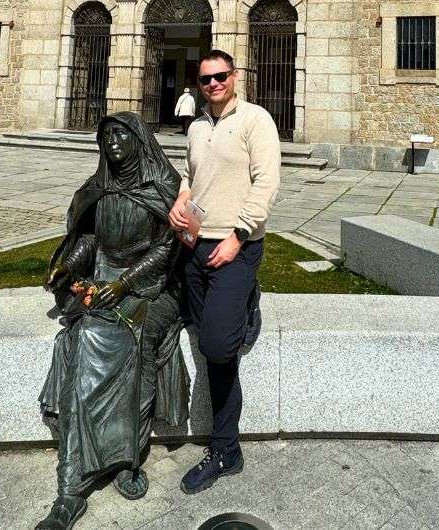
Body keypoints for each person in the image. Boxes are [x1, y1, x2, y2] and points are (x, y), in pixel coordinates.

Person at [37, 112, 190, 530]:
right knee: (78, 341)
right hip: (104, 283)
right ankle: (70, 490)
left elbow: (169, 250)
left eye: (121, 134)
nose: (113, 143)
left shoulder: (164, 188)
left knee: (136, 343)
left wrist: (125, 284)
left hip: (153, 290)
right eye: (106, 138)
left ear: (139, 139)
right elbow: (89, 239)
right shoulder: (99, 189)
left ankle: (126, 457)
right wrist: (66, 268)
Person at [167, 49, 281, 494]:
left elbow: (266, 182)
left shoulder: (255, 120)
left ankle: (225, 448)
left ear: (235, 77)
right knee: (199, 327)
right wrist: (181, 198)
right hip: (196, 245)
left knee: (217, 345)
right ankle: (239, 307)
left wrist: (238, 236)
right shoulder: (196, 126)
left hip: (238, 245)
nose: (213, 84)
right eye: (205, 79)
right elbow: (190, 175)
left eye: (220, 76)